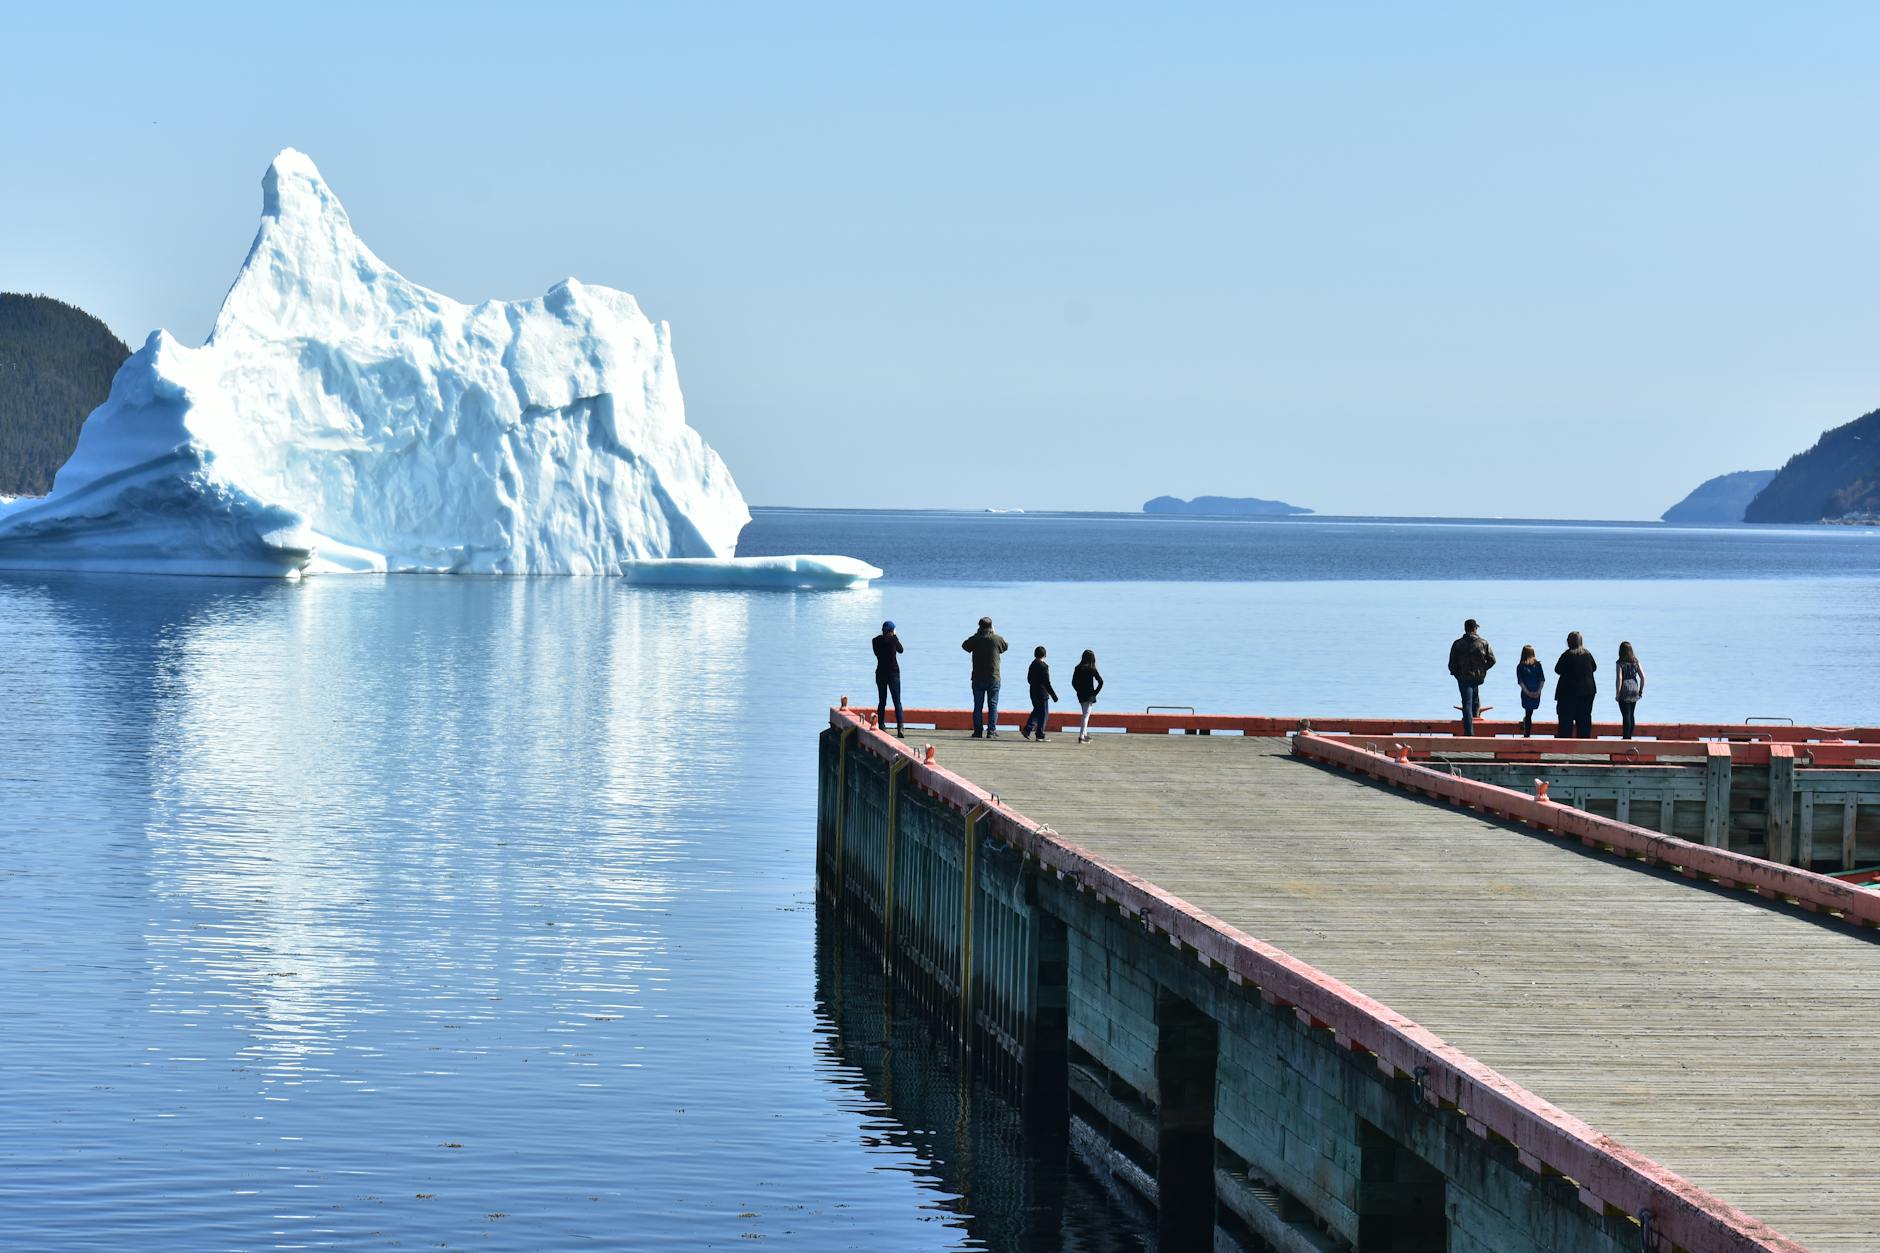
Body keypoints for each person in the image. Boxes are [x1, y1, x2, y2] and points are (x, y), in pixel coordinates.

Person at [961, 615, 1009, 738]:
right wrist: (994, 632)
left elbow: (965, 646)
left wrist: (977, 635)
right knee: (993, 705)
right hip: (993, 678)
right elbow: (1005, 646)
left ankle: (978, 732)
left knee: (978, 706)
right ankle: (991, 731)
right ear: (991, 627)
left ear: (980, 627)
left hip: (977, 677)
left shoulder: (976, 639)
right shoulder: (997, 639)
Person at [1446, 618, 1496, 735]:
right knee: (1474, 699)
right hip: (1478, 677)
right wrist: (1483, 670)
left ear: (1465, 629)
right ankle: (1475, 724)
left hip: (1463, 678)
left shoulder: (1457, 643)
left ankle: (1469, 733)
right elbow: (1492, 660)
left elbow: (1451, 663)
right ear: (1475, 629)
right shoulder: (1483, 643)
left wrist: (1457, 674)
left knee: (1466, 703)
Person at [1553, 631, 1597, 738]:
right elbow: (1594, 668)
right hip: (1587, 691)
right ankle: (1584, 742)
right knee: (1584, 718)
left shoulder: (1566, 655)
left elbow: (1557, 669)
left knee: (1565, 719)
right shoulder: (1587, 654)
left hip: (1567, 692)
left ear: (1569, 642)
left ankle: (1565, 743)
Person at [871, 620, 904, 737]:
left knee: (882, 701)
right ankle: (900, 728)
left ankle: (881, 725)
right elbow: (901, 650)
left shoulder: (875, 641)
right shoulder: (893, 640)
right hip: (893, 674)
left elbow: (877, 652)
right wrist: (895, 636)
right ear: (892, 630)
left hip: (880, 673)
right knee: (897, 702)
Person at [1022, 646, 1058, 741]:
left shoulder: (1032, 664)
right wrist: (1054, 696)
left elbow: (1029, 679)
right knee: (1044, 714)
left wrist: (1034, 684)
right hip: (1042, 693)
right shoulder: (1044, 666)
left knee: (1037, 711)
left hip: (1033, 691)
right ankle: (1040, 734)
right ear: (1045, 655)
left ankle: (1027, 729)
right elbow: (1047, 683)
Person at [1071, 649, 1104, 744]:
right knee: (1086, 715)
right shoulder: (1092, 669)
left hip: (1081, 695)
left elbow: (1073, 682)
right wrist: (1095, 693)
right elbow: (1101, 682)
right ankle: (1081, 736)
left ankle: (1084, 734)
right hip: (1089, 695)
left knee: (1085, 714)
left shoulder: (1078, 668)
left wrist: (1078, 690)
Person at [1614, 641, 1646, 739]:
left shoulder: (1620, 663)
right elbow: (1643, 677)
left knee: (1625, 715)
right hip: (1634, 688)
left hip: (1625, 688)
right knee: (1631, 714)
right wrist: (1640, 690)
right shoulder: (1636, 661)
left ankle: (1626, 737)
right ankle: (1630, 736)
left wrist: (1618, 693)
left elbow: (1619, 678)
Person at [1515, 644, 1545, 737]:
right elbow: (1542, 679)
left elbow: (1520, 682)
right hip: (1536, 692)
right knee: (1529, 712)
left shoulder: (1520, 666)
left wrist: (1527, 692)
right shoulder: (1538, 665)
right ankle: (1527, 731)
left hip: (1526, 692)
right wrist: (1538, 691)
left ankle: (1527, 733)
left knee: (1528, 712)